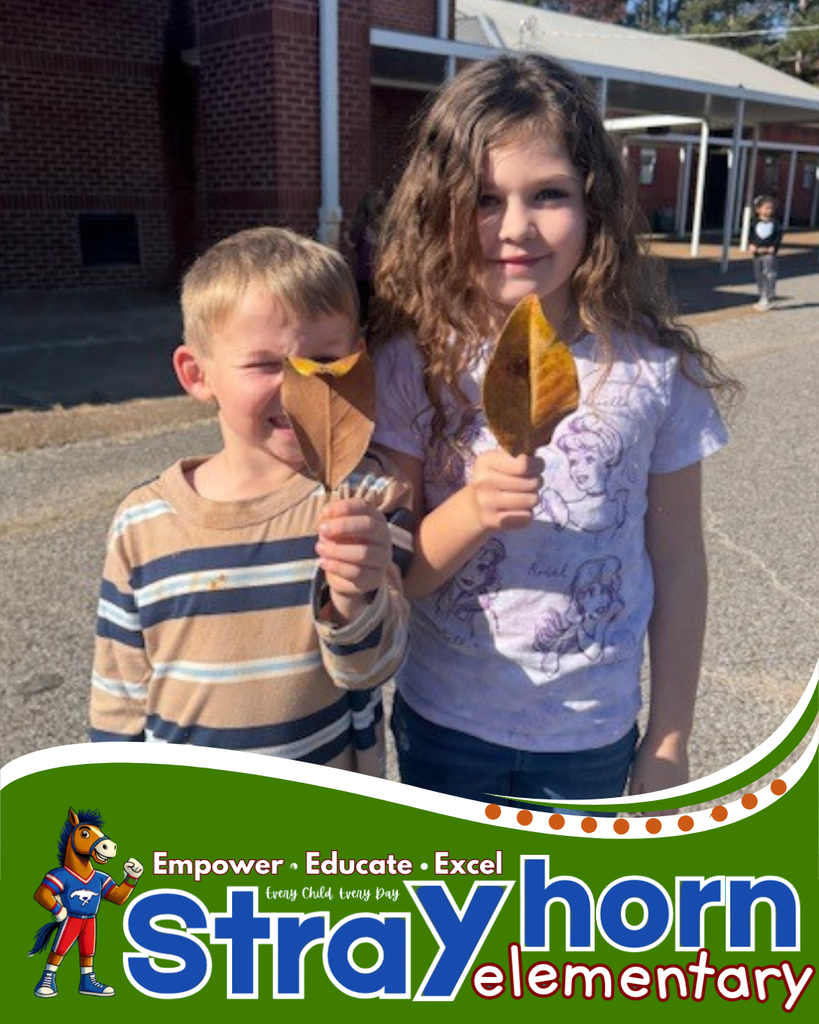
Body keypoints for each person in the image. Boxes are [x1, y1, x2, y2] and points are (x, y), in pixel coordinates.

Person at [370, 53, 740, 806]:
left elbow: (678, 563)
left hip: (589, 734)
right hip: (446, 725)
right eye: (482, 198)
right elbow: (397, 577)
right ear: (438, 208)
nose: (516, 228)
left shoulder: (652, 370)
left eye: (548, 193)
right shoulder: (412, 364)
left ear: (594, 204)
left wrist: (670, 737)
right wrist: (474, 508)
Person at [89, 226, 413, 776]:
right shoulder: (142, 523)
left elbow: (370, 668)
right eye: (265, 364)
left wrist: (353, 596)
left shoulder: (369, 500)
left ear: (357, 362)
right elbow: (119, 692)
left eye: (323, 360)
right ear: (198, 375)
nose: (297, 387)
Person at [749, 194, 783, 312]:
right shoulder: (754, 223)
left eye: (771, 208)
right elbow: (751, 235)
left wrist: (773, 247)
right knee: (759, 274)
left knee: (769, 273)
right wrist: (752, 245)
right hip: (757, 253)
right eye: (766, 208)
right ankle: (762, 295)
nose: (769, 210)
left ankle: (769, 297)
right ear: (758, 209)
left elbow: (778, 237)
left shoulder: (775, 224)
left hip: (769, 253)